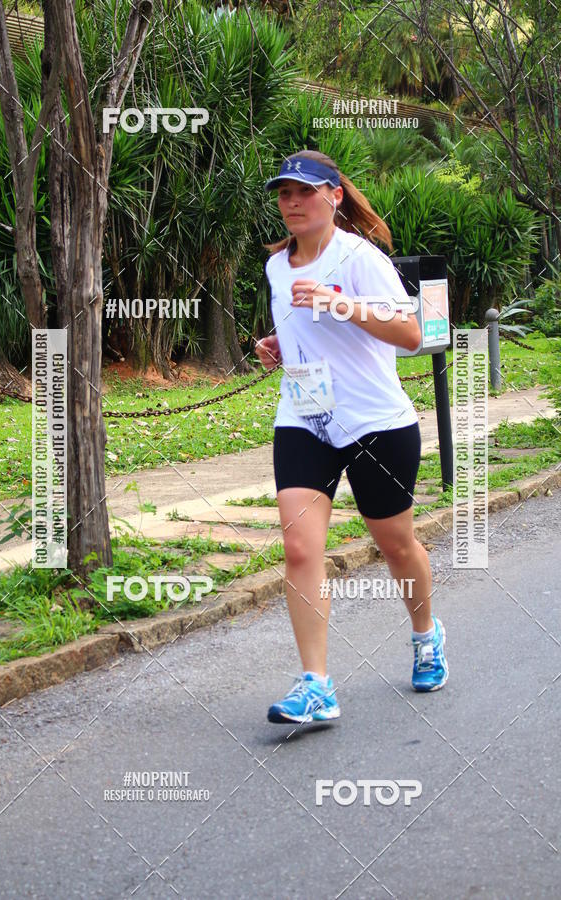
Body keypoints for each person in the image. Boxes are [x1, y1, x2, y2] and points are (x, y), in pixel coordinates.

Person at [255, 149, 448, 725]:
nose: (292, 203)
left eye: (304, 192)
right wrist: (278, 344)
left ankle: (425, 633)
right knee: (299, 548)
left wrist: (340, 303)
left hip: (375, 424)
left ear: (334, 197)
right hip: (305, 417)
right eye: (284, 194)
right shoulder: (276, 266)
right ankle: (316, 685)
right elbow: (305, 332)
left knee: (395, 544)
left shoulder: (360, 258)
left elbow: (411, 332)